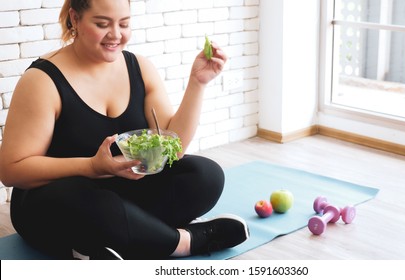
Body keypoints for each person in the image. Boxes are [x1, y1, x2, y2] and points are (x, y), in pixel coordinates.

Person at [0, 0, 249, 260]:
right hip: (58, 199)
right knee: (97, 207)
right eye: (102, 24)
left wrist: (198, 83)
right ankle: (185, 241)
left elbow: (173, 150)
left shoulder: (139, 67)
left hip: (122, 191)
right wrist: (92, 167)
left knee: (205, 175)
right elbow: (12, 171)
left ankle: (112, 241)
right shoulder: (42, 80)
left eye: (124, 24)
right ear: (75, 19)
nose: (116, 35)